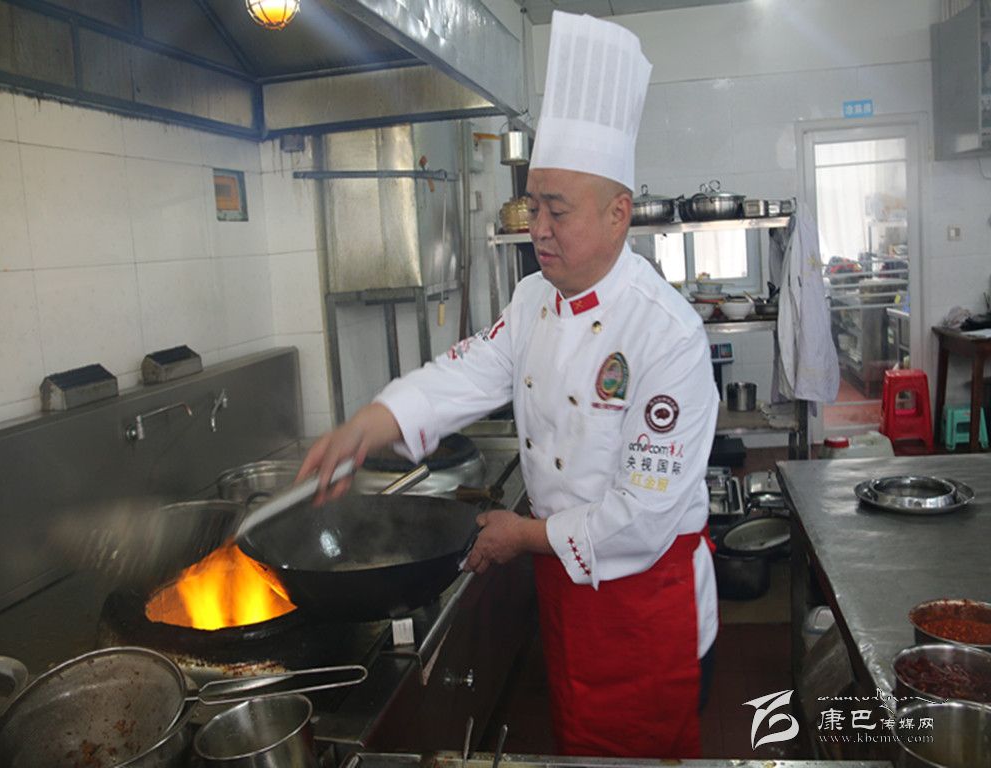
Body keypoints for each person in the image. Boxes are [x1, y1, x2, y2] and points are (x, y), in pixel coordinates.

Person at [297, 11, 718, 759]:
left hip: (643, 602)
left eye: (557, 210)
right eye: (532, 206)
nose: (537, 228)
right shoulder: (532, 301)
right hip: (564, 585)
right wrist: (370, 423)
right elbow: (467, 371)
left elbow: (643, 519)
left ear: (619, 214)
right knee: (576, 743)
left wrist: (523, 536)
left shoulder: (667, 334)